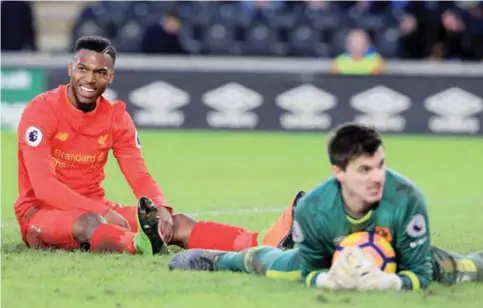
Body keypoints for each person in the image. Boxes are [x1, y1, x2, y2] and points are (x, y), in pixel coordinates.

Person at [14, 36, 288, 255]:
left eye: (100, 72)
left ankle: (262, 240)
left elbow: (138, 173)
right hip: (41, 213)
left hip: (97, 208)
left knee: (175, 223)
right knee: (91, 223)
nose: (89, 79)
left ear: (110, 77)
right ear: (71, 70)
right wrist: (102, 211)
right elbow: (45, 187)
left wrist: (161, 208)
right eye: (83, 69)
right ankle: (137, 244)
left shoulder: (116, 117)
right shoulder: (41, 111)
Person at [169, 122, 483, 291]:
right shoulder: (314, 208)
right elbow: (308, 270)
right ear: (339, 172)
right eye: (364, 170)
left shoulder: (406, 199)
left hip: (398, 255)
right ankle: (219, 260)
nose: (377, 178)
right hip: (331, 259)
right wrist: (325, 280)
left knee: (464, 270)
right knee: (273, 266)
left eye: (381, 165)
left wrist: (390, 282)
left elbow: (420, 274)